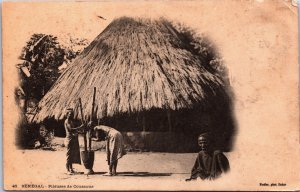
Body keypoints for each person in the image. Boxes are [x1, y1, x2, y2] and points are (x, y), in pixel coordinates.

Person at [64, 108, 84, 174]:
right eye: (69, 114)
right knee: (69, 154)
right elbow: (71, 129)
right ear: (67, 115)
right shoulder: (67, 121)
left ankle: (71, 169)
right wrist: (80, 127)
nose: (71, 115)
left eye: (72, 114)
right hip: (69, 139)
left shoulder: (71, 121)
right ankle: (67, 170)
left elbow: (74, 130)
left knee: (72, 155)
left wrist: (80, 131)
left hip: (73, 139)